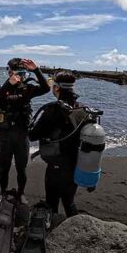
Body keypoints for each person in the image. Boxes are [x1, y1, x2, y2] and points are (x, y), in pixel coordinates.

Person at [0, 58, 50, 204]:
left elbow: (46, 88)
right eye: (16, 72)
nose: (20, 76)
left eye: (23, 73)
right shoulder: (2, 89)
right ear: (9, 72)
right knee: (4, 168)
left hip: (22, 135)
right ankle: (3, 193)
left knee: (21, 169)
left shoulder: (27, 89)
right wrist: (8, 85)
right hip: (5, 135)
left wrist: (36, 70)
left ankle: (21, 193)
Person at [28, 71, 89, 217]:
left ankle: (53, 229)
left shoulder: (52, 110)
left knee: (52, 201)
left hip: (56, 165)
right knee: (69, 201)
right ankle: (74, 227)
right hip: (76, 162)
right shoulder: (82, 108)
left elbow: (32, 136)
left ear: (56, 88)